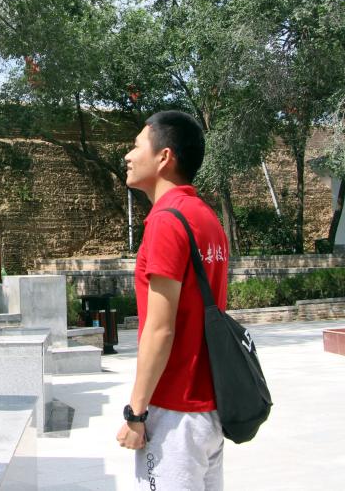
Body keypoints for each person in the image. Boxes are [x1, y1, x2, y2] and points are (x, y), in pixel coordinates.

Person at [116, 110, 229, 490]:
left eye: (137, 146)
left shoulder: (166, 220)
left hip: (174, 411)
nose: (128, 155)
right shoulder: (205, 217)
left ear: (164, 157)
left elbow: (160, 329)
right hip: (208, 408)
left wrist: (136, 412)